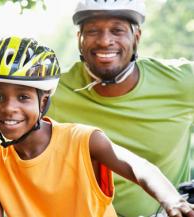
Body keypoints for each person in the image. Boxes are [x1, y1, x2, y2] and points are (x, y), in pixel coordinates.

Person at [0, 36, 194, 217]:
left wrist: (171, 199)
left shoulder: (82, 140)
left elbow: (140, 167)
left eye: (23, 97)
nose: (9, 108)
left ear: (43, 102)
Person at [47, 0, 194, 216]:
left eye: (117, 30)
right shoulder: (50, 92)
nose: (105, 41)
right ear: (79, 39)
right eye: (93, 31)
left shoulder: (182, 82)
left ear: (136, 38)